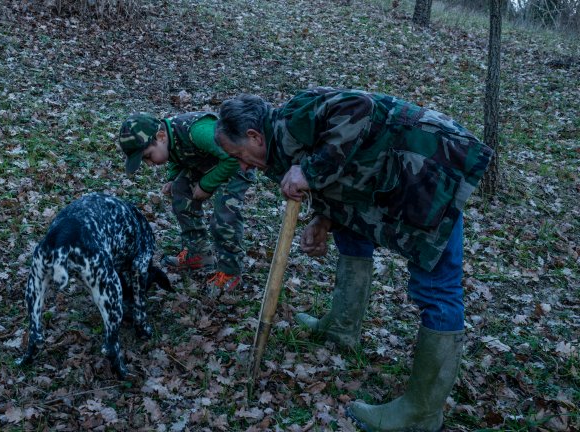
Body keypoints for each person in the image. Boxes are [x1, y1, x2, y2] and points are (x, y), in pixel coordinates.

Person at [215, 87, 492, 432]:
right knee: (350, 233)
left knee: (436, 286)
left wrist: (311, 173)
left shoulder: (294, 118)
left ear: (254, 136)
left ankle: (422, 414)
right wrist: (322, 218)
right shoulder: (278, 149)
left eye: (239, 154)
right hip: (391, 175)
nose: (242, 165)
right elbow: (342, 167)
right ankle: (342, 328)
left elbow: (359, 107)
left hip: (431, 167)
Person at [118, 112, 255, 293]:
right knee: (180, 190)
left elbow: (232, 158)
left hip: (237, 162)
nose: (149, 164)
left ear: (160, 136)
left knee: (224, 215)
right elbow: (177, 155)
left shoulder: (197, 131)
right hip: (209, 161)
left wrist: (206, 186)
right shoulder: (168, 139)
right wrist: (173, 178)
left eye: (148, 156)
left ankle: (230, 272)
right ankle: (198, 253)